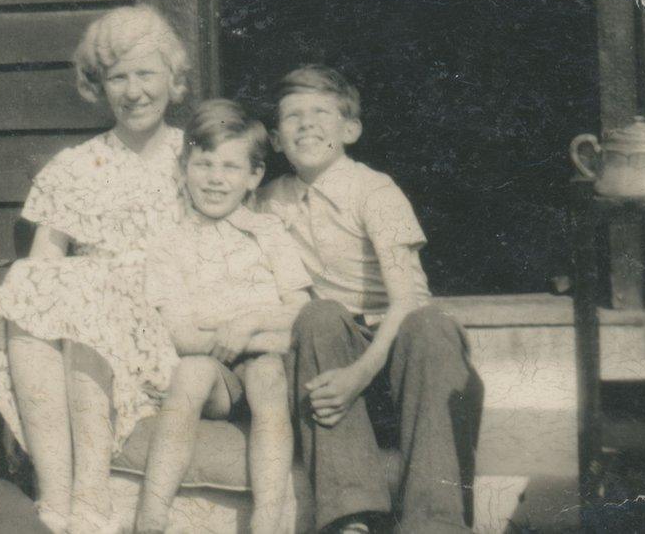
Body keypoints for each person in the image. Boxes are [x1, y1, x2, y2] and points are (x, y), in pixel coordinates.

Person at [0, 5, 189, 533]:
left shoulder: (199, 160)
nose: (134, 91)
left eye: (146, 73)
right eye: (118, 77)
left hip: (168, 325)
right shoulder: (75, 165)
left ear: (173, 77)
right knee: (34, 281)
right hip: (89, 330)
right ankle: (56, 500)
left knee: (85, 284)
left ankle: (91, 498)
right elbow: (43, 270)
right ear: (100, 86)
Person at [258, 65, 483, 534]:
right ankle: (350, 518)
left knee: (431, 324)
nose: (306, 123)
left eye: (321, 112)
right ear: (275, 140)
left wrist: (361, 373)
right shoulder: (266, 200)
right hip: (331, 363)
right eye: (292, 116)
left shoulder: (375, 191)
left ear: (350, 129)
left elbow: (407, 299)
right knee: (317, 314)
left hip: (404, 359)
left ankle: (434, 523)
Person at [135, 99, 311, 534]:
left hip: (273, 368)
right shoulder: (168, 244)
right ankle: (151, 514)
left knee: (267, 373)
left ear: (254, 177)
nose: (216, 179)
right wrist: (243, 334)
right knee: (191, 372)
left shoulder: (270, 233)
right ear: (184, 168)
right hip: (217, 376)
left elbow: (303, 313)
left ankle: (267, 520)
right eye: (204, 164)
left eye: (231, 168)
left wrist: (248, 325)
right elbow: (180, 334)